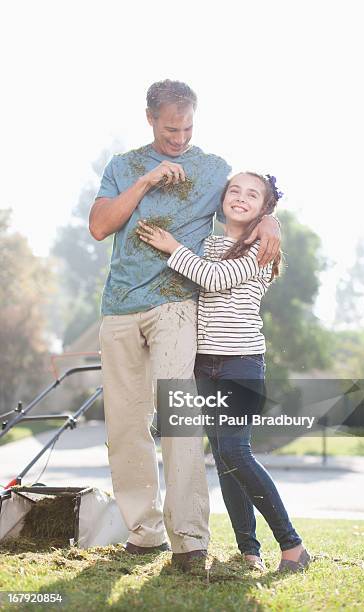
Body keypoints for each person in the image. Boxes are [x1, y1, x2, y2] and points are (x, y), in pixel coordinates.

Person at [89, 80, 281, 571]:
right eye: (171, 128)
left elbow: (247, 202)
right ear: (150, 118)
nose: (179, 138)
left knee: (180, 423)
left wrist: (271, 223)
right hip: (120, 306)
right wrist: (147, 181)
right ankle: (144, 532)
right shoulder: (122, 166)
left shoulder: (213, 169)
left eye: (188, 127)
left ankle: (191, 541)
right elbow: (100, 225)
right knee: (127, 427)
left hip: (177, 306)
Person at [136, 171, 310, 573]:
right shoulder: (207, 242)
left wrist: (171, 247)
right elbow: (197, 269)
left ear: (264, 208)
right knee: (225, 459)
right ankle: (249, 550)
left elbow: (213, 279)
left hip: (241, 363)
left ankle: (293, 545)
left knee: (235, 451)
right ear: (222, 198)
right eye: (235, 190)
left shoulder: (262, 248)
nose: (241, 198)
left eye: (253, 195)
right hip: (203, 364)